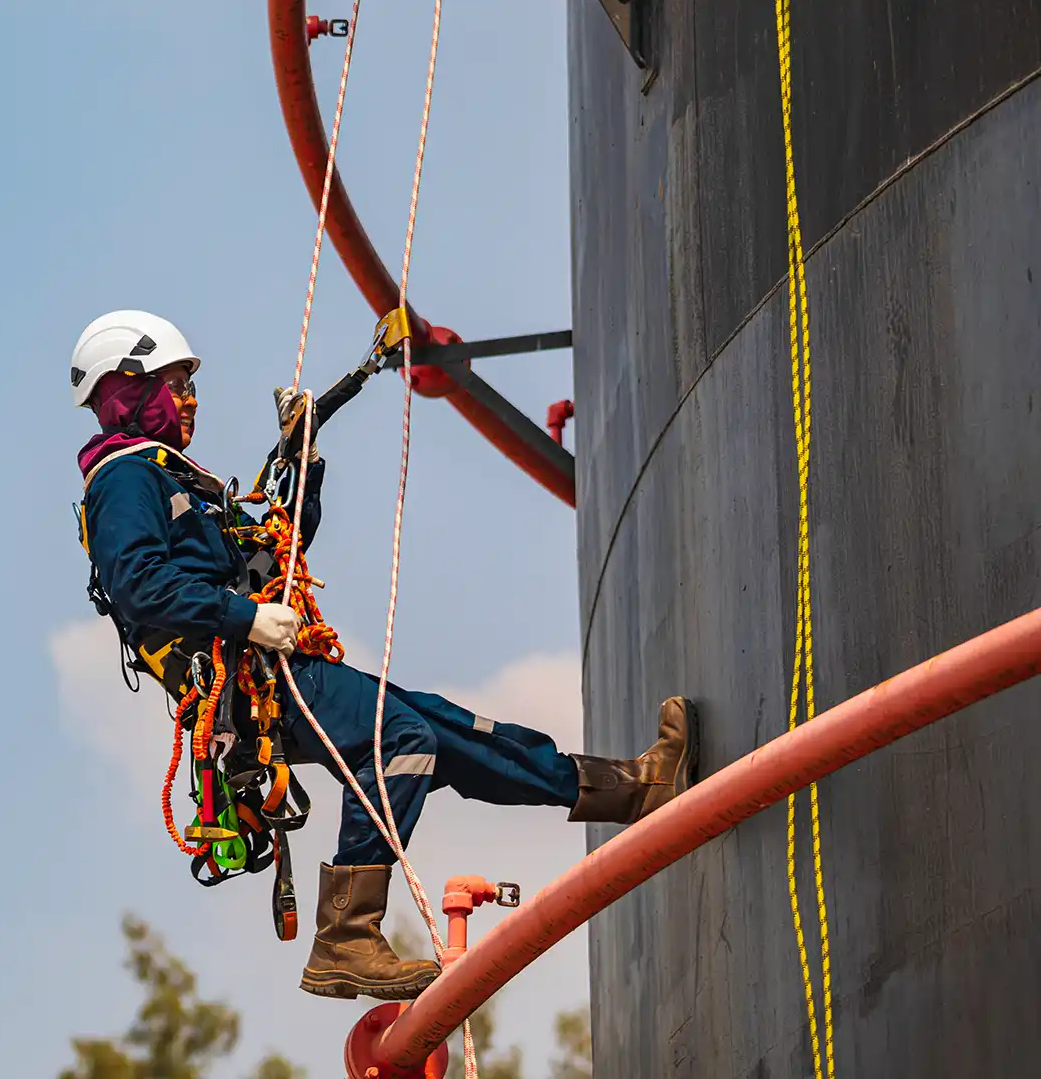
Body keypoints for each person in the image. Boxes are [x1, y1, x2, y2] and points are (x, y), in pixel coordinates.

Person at [70, 310, 695, 1001]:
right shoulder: (124, 479)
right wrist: (244, 617)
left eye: (190, 386)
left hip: (276, 674)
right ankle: (345, 939)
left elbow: (279, 544)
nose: (190, 400)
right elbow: (142, 586)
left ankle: (635, 788)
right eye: (175, 384)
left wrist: (302, 456)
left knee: (444, 731)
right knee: (399, 739)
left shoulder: (176, 476)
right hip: (246, 688)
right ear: (126, 388)